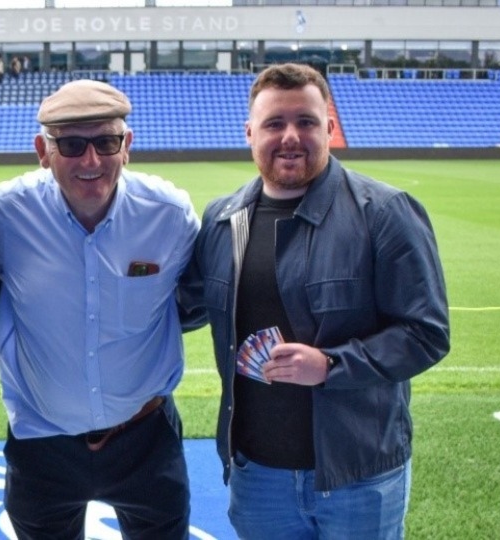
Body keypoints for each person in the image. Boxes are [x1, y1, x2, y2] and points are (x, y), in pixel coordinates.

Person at [183, 63, 450, 539]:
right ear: (249, 132)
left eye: (305, 121)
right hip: (258, 476)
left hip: (358, 477)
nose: (290, 136)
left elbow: (426, 333)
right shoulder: (224, 220)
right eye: (274, 123)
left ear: (329, 127)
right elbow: (182, 307)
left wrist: (331, 364)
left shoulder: (385, 213)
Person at [0, 79, 202, 539]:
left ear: (127, 146)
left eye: (106, 142)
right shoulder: (6, 216)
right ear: (42, 151)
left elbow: (194, 299)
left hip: (145, 438)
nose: (91, 161)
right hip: (42, 444)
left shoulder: (171, 216)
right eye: (71, 144)